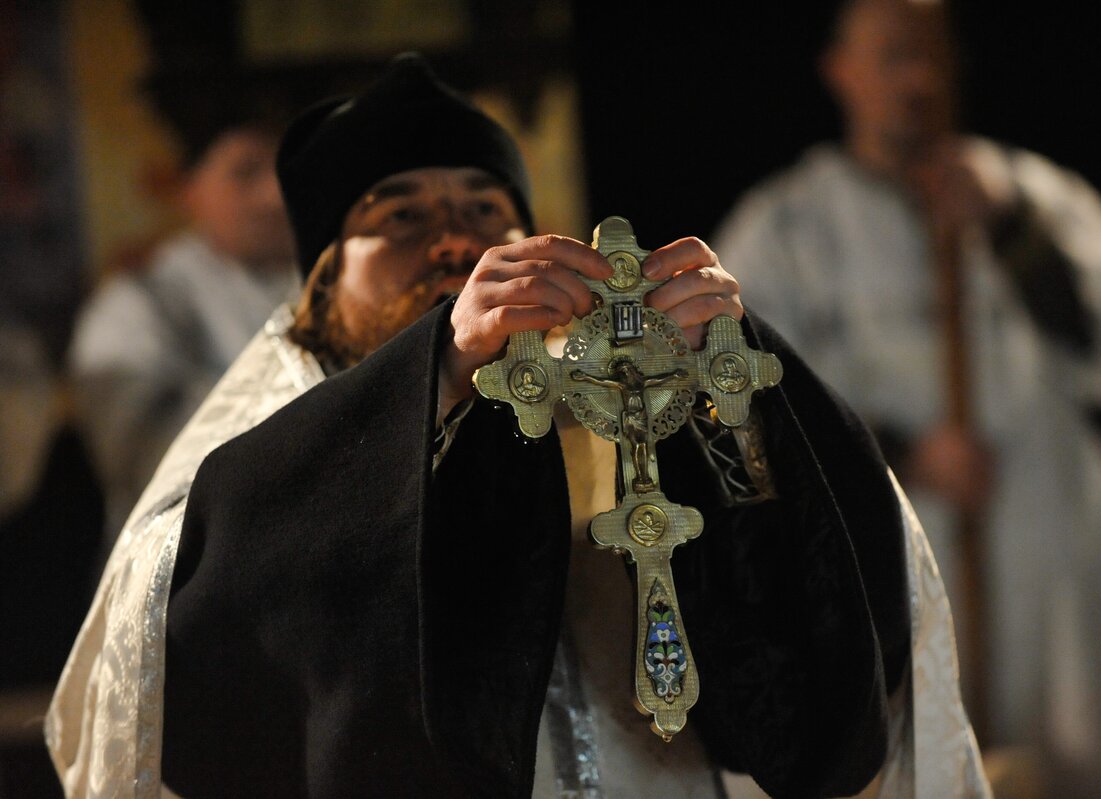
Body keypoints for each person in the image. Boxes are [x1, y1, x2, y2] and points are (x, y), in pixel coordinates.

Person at [47, 53, 989, 798]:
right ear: (321, 286)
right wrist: (438, 372)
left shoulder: (613, 388)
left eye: (484, 209)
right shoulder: (275, 421)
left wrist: (726, 389)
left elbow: (809, 616)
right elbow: (189, 624)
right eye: (400, 214)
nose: (455, 236)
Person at [713, 1, 1101, 796]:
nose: (918, 78)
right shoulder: (789, 227)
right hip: (890, 554)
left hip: (1051, 559)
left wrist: (1013, 231)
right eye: (893, 55)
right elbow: (735, 394)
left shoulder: (1029, 192)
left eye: (931, 54)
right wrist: (902, 451)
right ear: (841, 71)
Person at [68, 113, 299, 549]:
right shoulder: (135, 305)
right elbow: (141, 459)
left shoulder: (336, 281)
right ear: (188, 189)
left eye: (286, 167)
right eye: (245, 172)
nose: (274, 194)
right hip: (192, 555)